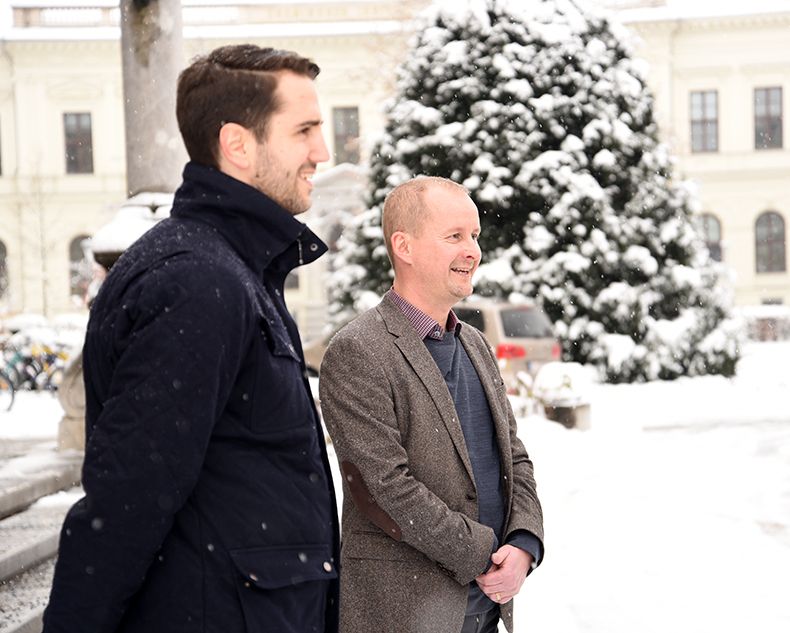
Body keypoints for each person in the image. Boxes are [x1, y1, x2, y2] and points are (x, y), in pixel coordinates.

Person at [43, 44, 339, 633]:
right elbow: (127, 500)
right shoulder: (198, 281)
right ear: (237, 144)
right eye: (304, 130)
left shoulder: (237, 270)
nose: (322, 153)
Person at [319, 176, 544, 633]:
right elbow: (385, 488)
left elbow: (514, 458)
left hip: (485, 614)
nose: (473, 251)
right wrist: (483, 552)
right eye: (455, 236)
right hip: (403, 617)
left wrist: (523, 542)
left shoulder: (476, 345)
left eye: (475, 236)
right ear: (404, 246)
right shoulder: (357, 351)